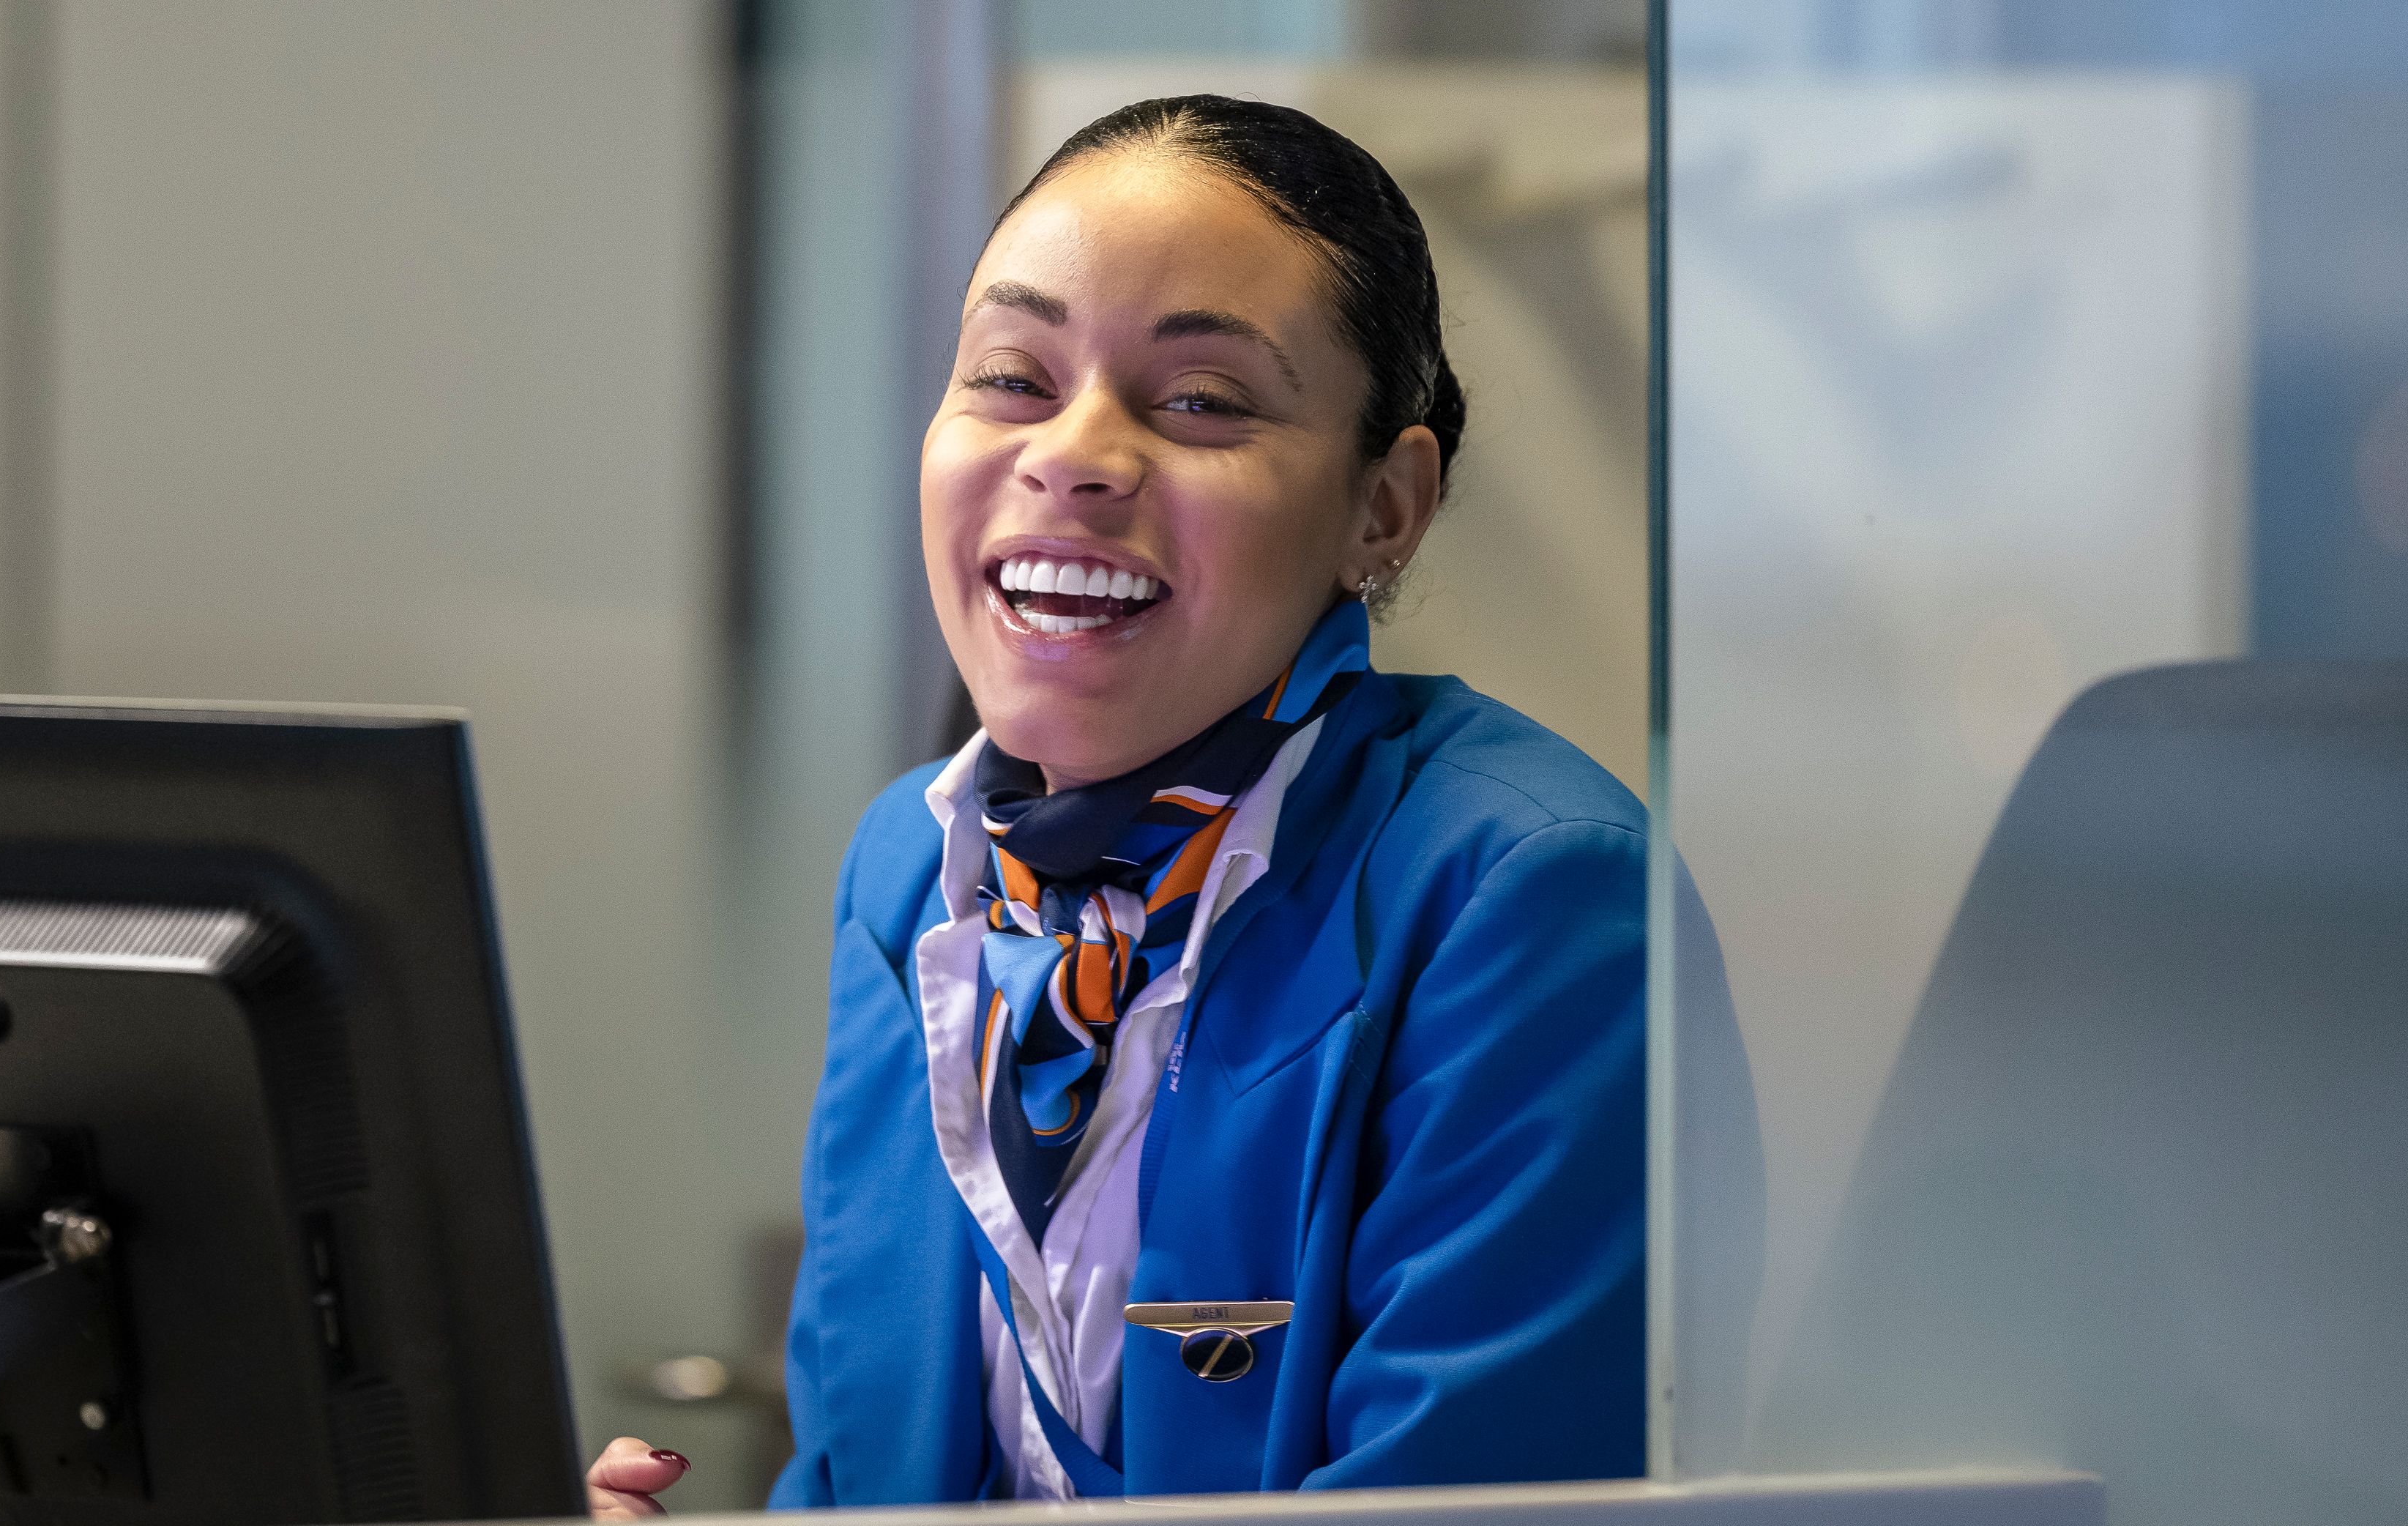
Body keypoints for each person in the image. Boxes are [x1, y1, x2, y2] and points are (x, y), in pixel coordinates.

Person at [590, 94, 1727, 1514]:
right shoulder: (910, 872)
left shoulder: (1527, 897)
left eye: (1200, 401)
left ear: (1385, 507)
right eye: (1011, 375)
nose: (1071, 455)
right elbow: (858, 1487)